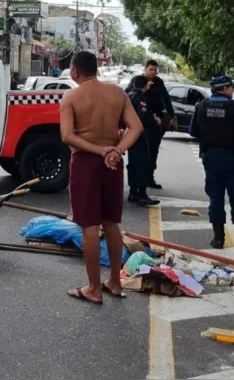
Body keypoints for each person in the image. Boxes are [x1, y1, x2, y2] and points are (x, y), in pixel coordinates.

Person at [60, 51, 143, 304]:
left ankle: (94, 288)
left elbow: (67, 136)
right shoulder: (117, 93)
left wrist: (98, 150)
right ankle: (115, 283)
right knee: (111, 224)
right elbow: (136, 127)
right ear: (96, 69)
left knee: (90, 227)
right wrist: (116, 150)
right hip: (112, 164)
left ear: (75, 72)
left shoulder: (71, 96)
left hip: (86, 162)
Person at [188, 76, 234, 253]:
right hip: (231, 158)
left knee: (215, 197)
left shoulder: (202, 105)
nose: (233, 91)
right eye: (231, 88)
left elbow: (193, 131)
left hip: (209, 157)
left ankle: (217, 239)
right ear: (225, 88)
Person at [125, 60, 175, 189]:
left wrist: (172, 116)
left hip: (155, 123)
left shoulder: (158, 82)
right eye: (151, 69)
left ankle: (149, 178)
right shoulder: (137, 82)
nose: (153, 72)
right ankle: (136, 187)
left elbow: (166, 99)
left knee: (153, 151)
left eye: (155, 70)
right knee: (138, 155)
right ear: (145, 69)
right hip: (140, 123)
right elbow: (127, 96)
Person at [126, 77, 161, 207]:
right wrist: (154, 121)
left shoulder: (129, 96)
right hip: (139, 134)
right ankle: (142, 195)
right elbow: (144, 116)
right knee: (143, 163)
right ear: (145, 85)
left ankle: (133, 192)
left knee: (133, 164)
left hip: (129, 134)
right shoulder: (140, 98)